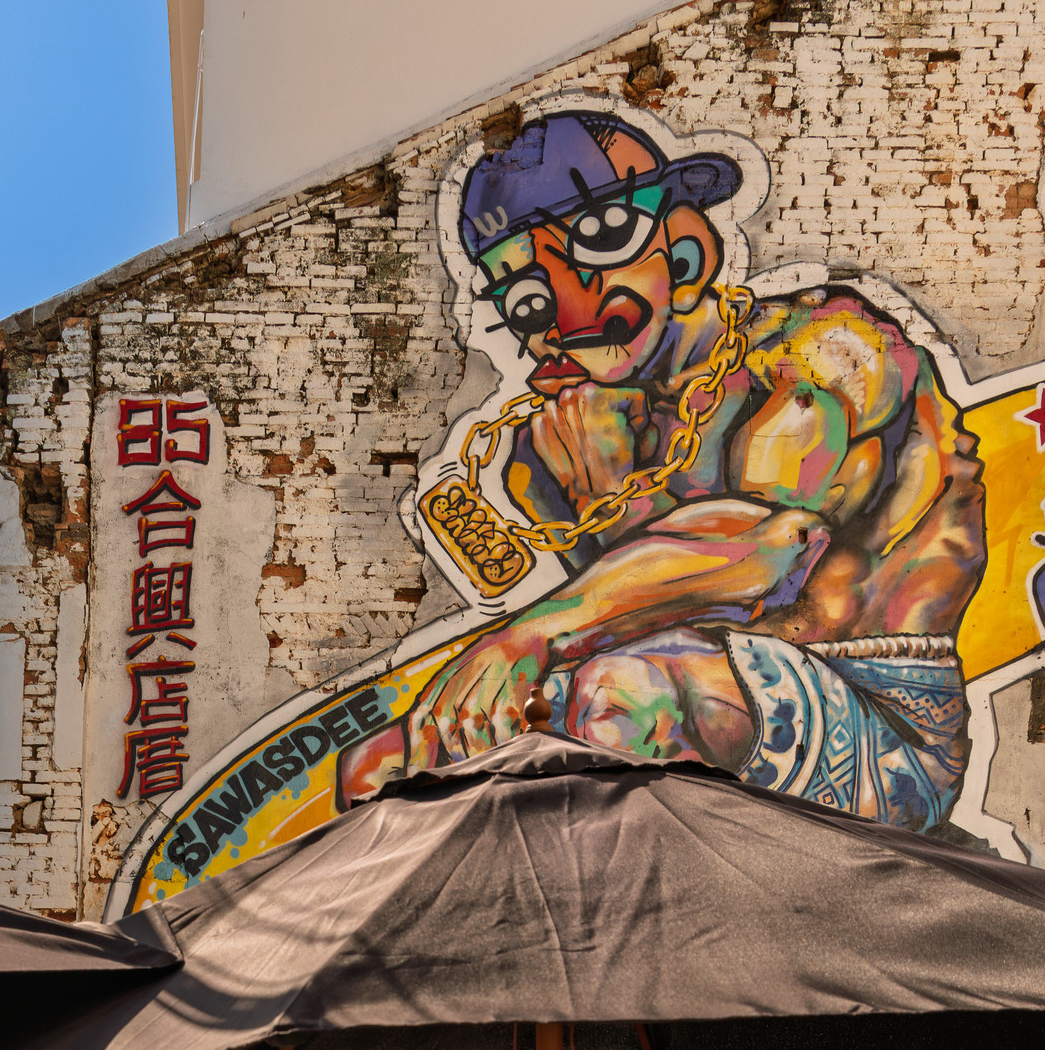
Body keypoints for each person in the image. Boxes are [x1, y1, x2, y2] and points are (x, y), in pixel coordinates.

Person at [340, 107, 985, 832]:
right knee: (382, 772)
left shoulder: (830, 346)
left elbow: (768, 552)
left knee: (621, 693)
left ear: (686, 248)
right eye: (527, 294)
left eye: (600, 245)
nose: (571, 311)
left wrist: (525, 634)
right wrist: (599, 494)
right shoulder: (561, 445)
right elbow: (648, 611)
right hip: (681, 682)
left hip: (881, 726)